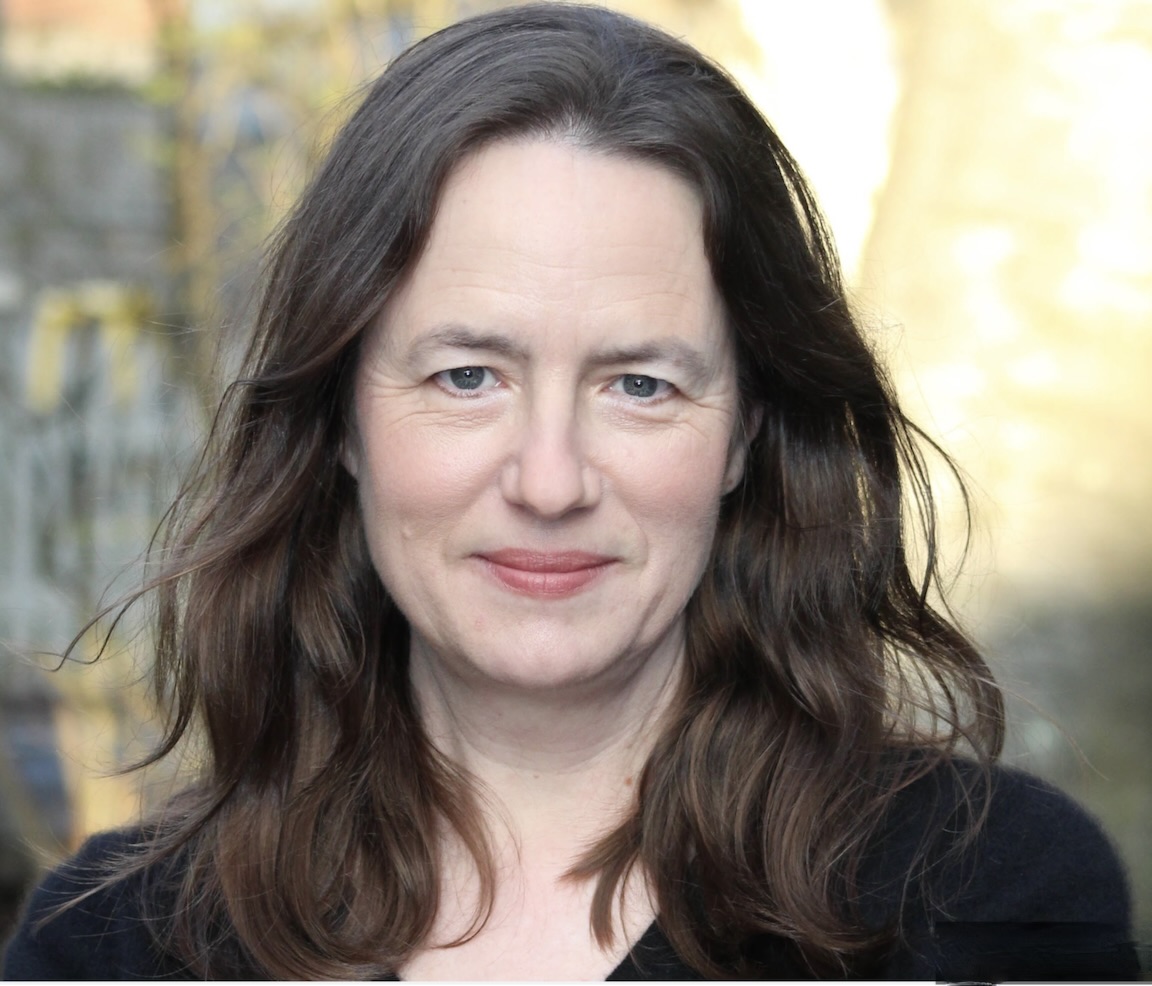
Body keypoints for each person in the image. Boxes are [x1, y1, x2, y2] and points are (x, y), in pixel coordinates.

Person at [2, 3, 1138, 980]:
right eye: (467, 376)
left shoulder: (991, 903)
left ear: (745, 431)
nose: (549, 481)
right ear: (342, 419)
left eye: (640, 384)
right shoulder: (113, 947)